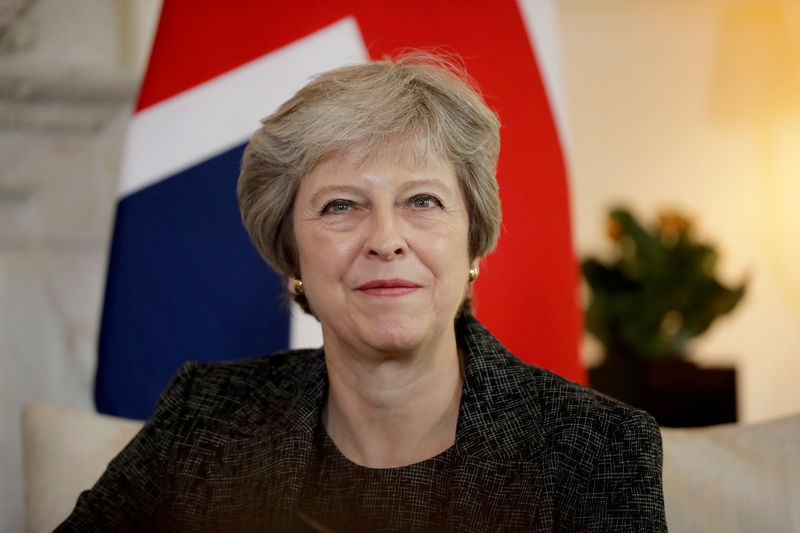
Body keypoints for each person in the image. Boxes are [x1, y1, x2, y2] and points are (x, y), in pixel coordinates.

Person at [58, 54, 666, 532]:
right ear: (291, 252)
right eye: (341, 206)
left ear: (474, 243)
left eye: (422, 201)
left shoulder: (598, 449)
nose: (386, 239)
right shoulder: (203, 417)